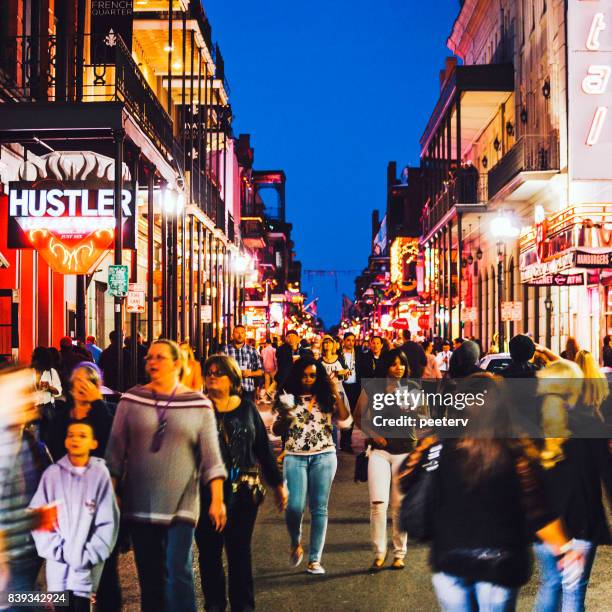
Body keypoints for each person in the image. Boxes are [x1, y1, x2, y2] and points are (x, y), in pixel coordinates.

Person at [399, 373, 585, 612]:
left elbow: (406, 478)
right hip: (500, 560)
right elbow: (537, 508)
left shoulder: (439, 443)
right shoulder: (516, 449)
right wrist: (566, 549)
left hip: (449, 555)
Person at [105, 339, 227, 612]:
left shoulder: (198, 403)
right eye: (149, 357)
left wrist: (217, 500)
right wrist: (112, 493)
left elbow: (211, 458)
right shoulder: (131, 400)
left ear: (176, 363)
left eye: (159, 357)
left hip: (182, 504)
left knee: (178, 572)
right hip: (140, 504)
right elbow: (114, 453)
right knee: (150, 580)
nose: (152, 362)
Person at [196, 355, 288, 612]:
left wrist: (278, 484)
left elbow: (263, 449)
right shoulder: (199, 408)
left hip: (244, 492)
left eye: (219, 373)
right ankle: (214, 605)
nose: (212, 376)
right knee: (209, 554)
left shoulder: (246, 408)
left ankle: (243, 606)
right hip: (205, 492)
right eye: (209, 372)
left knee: (238, 553)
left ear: (232, 379)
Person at [533, 359, 612, 612]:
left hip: (545, 524)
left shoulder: (533, 425)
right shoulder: (591, 423)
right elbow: (607, 475)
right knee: (574, 592)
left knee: (549, 585)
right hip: (582, 520)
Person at [272, 356, 351, 575]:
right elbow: (275, 431)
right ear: (297, 375)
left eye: (313, 375)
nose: (308, 379)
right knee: (295, 506)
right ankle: (295, 542)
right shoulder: (287, 397)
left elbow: (345, 422)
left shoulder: (326, 397)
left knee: (319, 508)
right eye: (304, 375)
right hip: (295, 456)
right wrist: (285, 417)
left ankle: (315, 559)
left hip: (324, 455)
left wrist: (335, 391)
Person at [29, 421, 119, 612]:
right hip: (58, 572)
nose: (76, 439)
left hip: (86, 572)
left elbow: (108, 523)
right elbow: (39, 518)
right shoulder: (52, 476)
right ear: (65, 441)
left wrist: (89, 554)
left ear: (93, 443)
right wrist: (57, 550)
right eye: (71, 435)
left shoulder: (100, 476)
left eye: (82, 435)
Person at [0, 367, 56, 612]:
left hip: (27, 556)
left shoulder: (30, 441)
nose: (29, 399)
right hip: (9, 561)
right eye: (20, 392)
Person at [354, 349, 415, 571]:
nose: (398, 367)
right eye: (393, 363)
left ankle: (399, 553)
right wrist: (373, 434)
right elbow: (358, 415)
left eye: (402, 364)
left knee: (400, 506)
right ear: (386, 366)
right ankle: (379, 553)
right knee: (378, 504)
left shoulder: (413, 388)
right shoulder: (373, 387)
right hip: (378, 452)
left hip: (405, 451)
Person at [47, 362, 113, 462]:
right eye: (78, 380)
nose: (82, 386)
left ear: (97, 387)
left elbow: (111, 445)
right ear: (72, 387)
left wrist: (97, 402)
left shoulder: (106, 413)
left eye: (88, 382)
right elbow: (54, 451)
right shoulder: (60, 419)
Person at [340, 332, 369, 453]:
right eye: (348, 340)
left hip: (356, 387)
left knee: (353, 414)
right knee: (344, 415)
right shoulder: (339, 354)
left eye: (352, 340)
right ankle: (344, 442)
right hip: (344, 387)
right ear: (344, 341)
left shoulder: (358, 353)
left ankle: (347, 442)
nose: (351, 343)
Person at [222, 326, 264, 402]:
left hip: (247, 389)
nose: (240, 335)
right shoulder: (225, 350)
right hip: (231, 389)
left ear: (245, 335)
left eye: (242, 333)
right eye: (237, 332)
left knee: (247, 413)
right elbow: (220, 369)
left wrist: (250, 373)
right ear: (232, 335)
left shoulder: (252, 350)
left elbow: (261, 371)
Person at [31, 347, 62, 441]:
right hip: (33, 409)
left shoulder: (51, 372)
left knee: (47, 437)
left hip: (47, 408)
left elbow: (58, 391)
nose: (32, 357)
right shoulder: (29, 371)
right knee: (34, 437)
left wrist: (49, 387)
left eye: (34, 356)